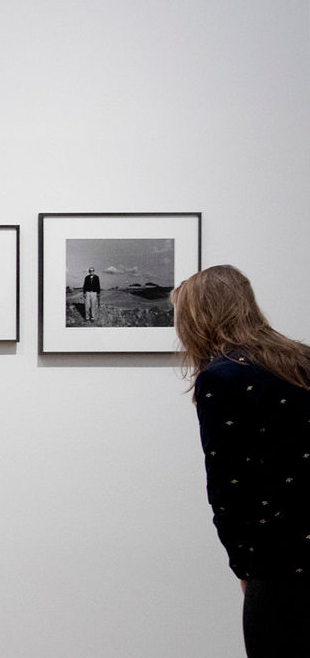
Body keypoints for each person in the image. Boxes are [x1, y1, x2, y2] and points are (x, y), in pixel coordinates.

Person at [172, 265, 310, 656]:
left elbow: (228, 485)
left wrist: (242, 567)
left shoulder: (220, 377)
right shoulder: (303, 360)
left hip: (278, 557)